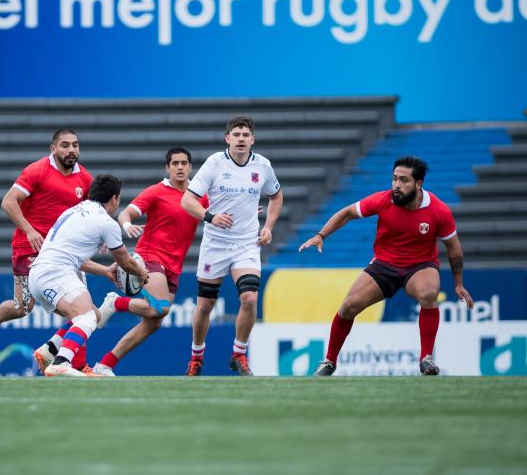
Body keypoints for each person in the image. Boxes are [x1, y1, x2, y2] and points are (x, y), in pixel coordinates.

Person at [299, 156, 473, 376]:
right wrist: (321, 235)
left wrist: (458, 284)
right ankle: (329, 361)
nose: (396, 185)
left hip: (420, 266)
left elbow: (454, 249)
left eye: (403, 180)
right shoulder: (383, 200)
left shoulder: (439, 210)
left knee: (429, 294)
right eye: (394, 179)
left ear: (418, 184)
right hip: (384, 265)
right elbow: (347, 213)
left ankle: (426, 359)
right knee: (348, 306)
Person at [0, 128, 96, 372]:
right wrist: (29, 229)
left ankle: (79, 365)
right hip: (30, 247)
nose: (71, 150)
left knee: (84, 308)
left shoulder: (84, 179)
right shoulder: (37, 170)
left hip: (63, 253)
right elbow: (8, 201)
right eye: (65, 145)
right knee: (22, 307)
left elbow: (88, 213)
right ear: (53, 149)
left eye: (75, 145)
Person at [180, 116, 283, 376]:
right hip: (215, 244)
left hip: (247, 243)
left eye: (245, 134)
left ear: (252, 140)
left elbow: (276, 195)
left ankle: (239, 354)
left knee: (249, 298)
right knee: (205, 306)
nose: (240, 139)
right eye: (236, 134)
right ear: (228, 138)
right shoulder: (215, 163)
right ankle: (196, 357)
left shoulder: (262, 165)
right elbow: (187, 201)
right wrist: (211, 217)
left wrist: (268, 226)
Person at [92, 146, 208, 376]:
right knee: (160, 308)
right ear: (167, 168)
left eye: (184, 163)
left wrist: (244, 213)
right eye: (175, 163)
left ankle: (105, 364)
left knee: (154, 321)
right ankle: (116, 303)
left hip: (174, 265)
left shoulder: (198, 196)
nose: (180, 167)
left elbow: (217, 213)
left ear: (190, 167)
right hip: (150, 256)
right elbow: (126, 213)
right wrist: (126, 225)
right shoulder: (156, 191)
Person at [29, 174, 149, 377]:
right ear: (115, 198)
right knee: (88, 318)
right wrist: (142, 273)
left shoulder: (71, 212)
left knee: (94, 315)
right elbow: (125, 261)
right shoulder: (106, 222)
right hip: (56, 273)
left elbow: (77, 258)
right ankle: (62, 362)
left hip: (38, 275)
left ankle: (50, 349)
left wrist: (105, 271)